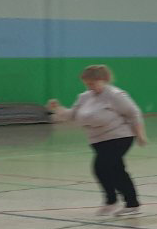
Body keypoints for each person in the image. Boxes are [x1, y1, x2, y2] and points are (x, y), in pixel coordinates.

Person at [46, 65, 147, 216]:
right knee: (116, 170)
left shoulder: (115, 95)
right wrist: (58, 108)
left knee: (101, 167)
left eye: (92, 83)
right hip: (98, 140)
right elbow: (72, 115)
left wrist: (140, 134)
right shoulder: (84, 97)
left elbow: (134, 113)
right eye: (86, 84)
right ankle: (131, 204)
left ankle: (112, 201)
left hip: (119, 136)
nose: (89, 86)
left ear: (103, 80)